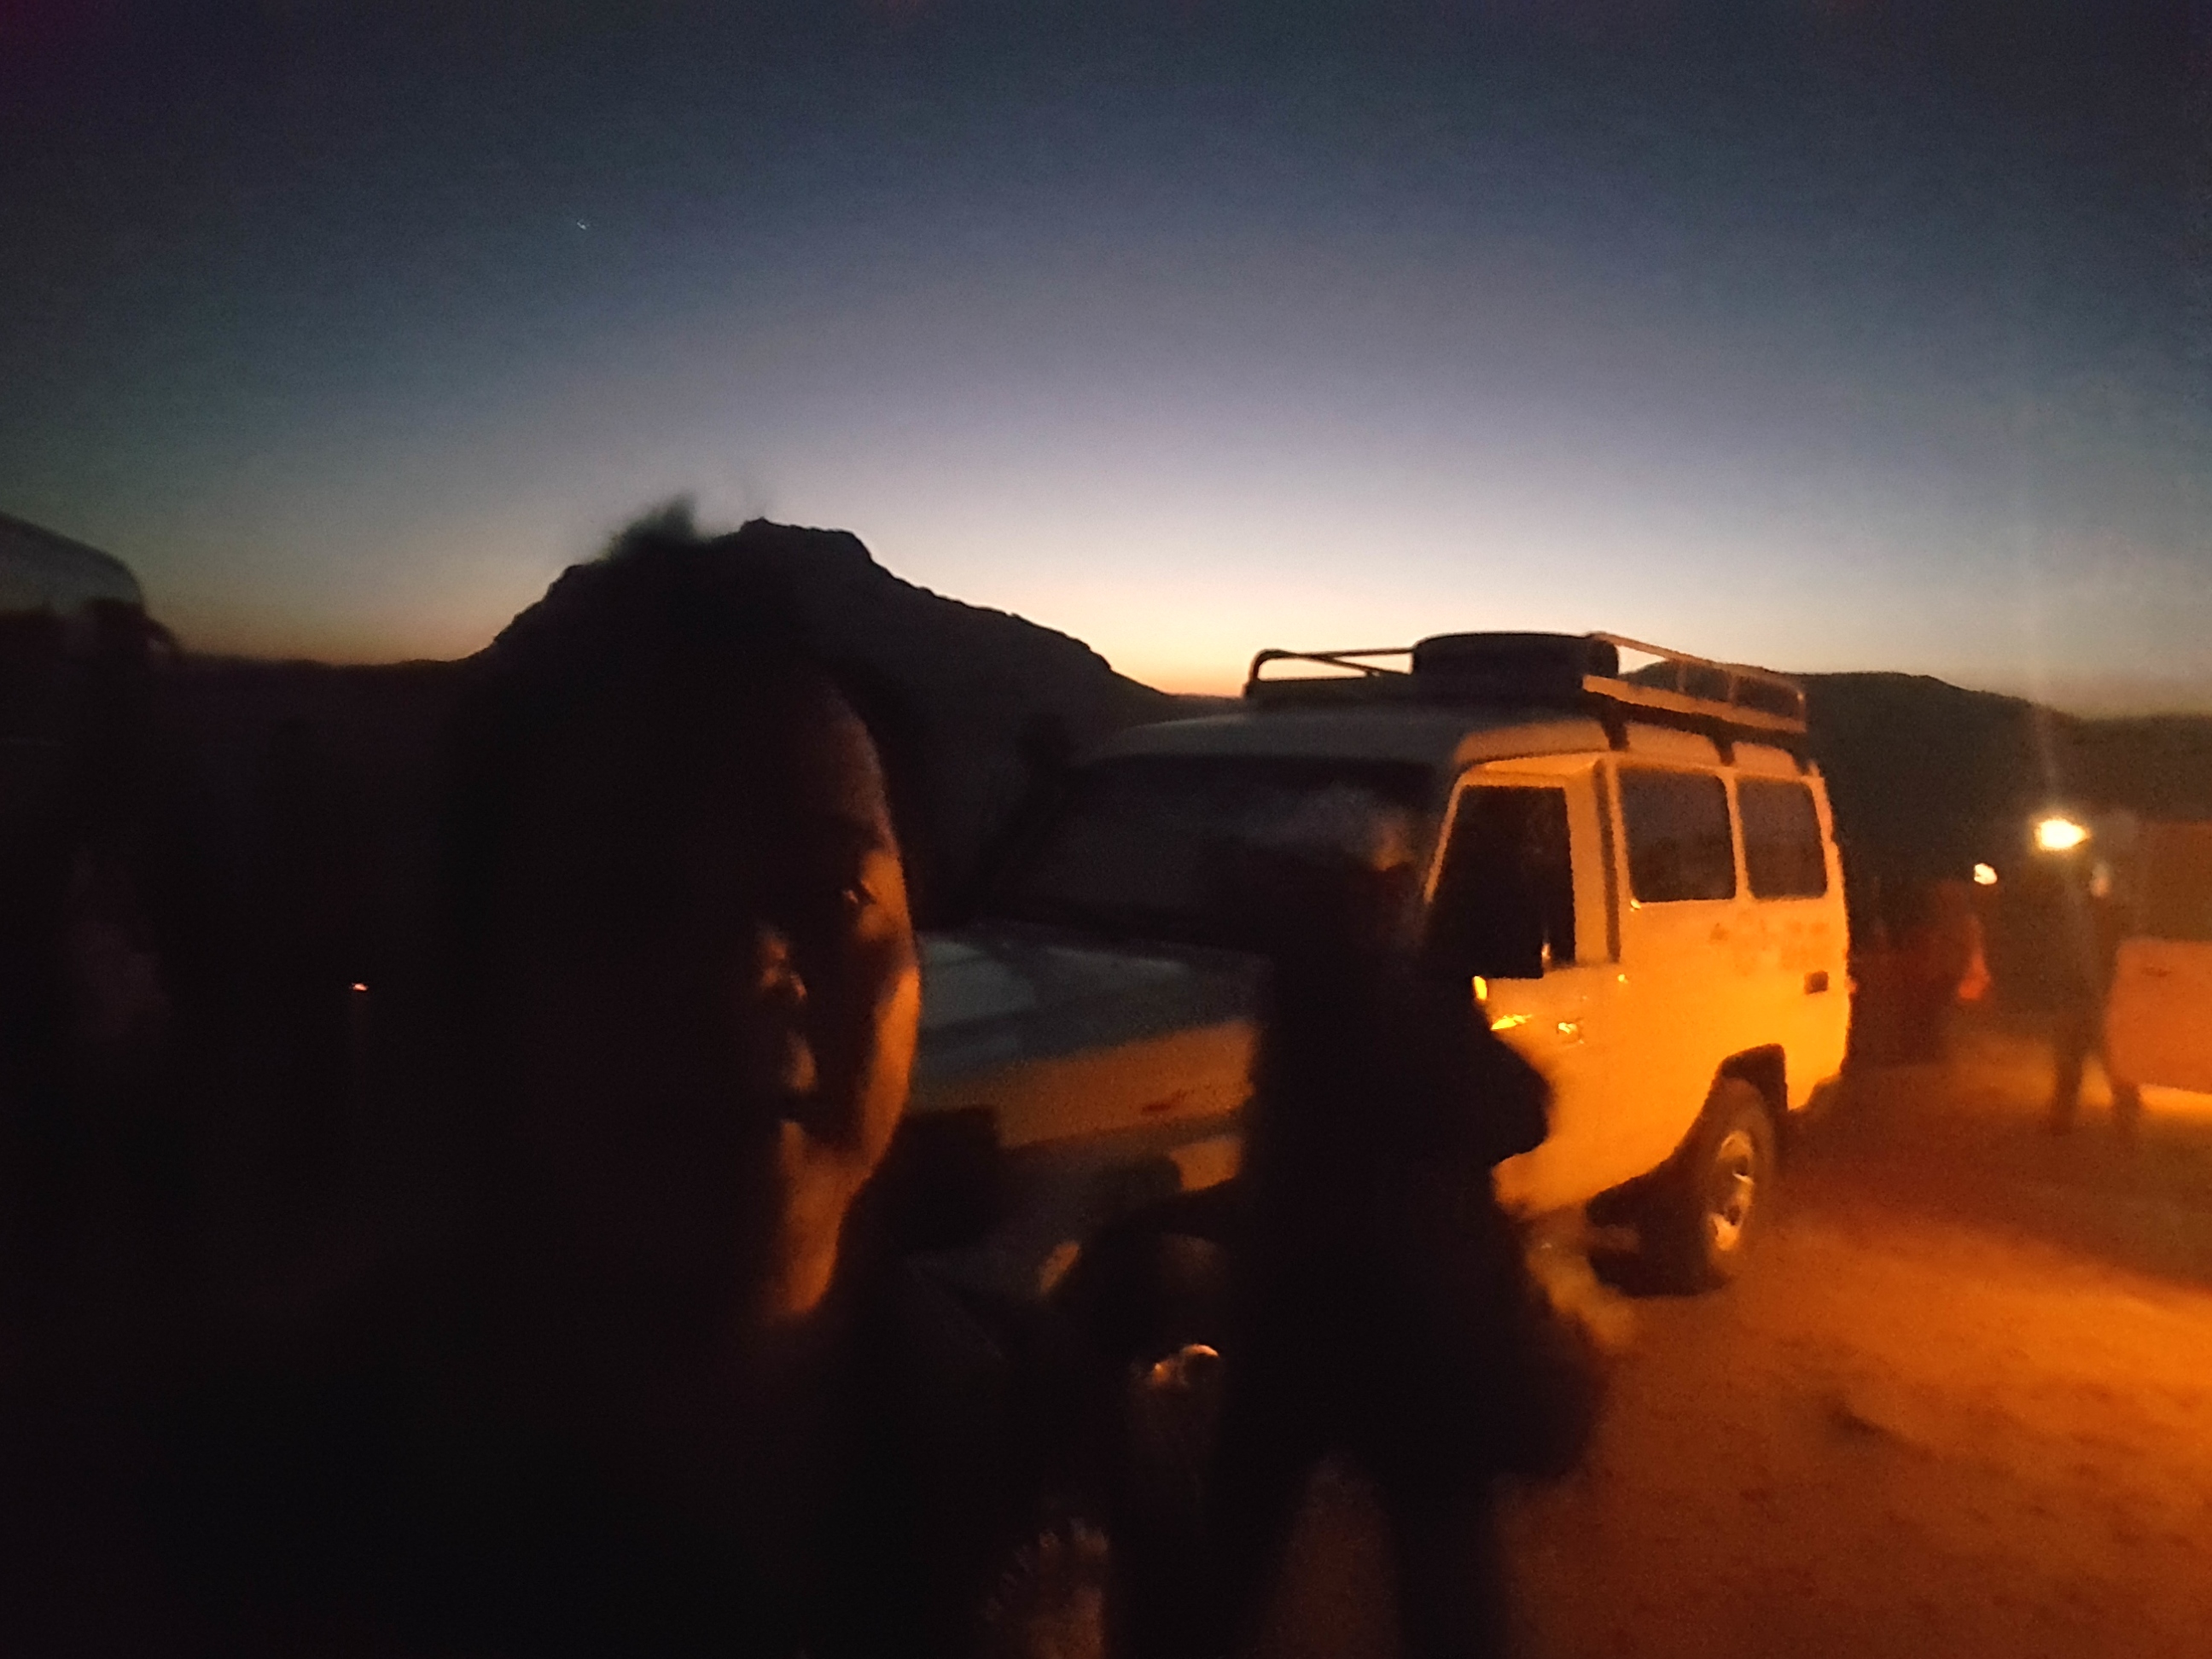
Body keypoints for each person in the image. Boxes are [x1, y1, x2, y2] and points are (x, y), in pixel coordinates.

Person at [140, 522, 946, 1656]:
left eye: (824, 890)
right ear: (479, 976)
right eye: (626, 903)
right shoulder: (243, 1530)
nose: (741, 973)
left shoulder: (1039, 1439)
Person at [1202, 793, 1603, 1659]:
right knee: (1445, 1557)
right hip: (1408, 1327)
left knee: (1236, 1542)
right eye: (1390, 883)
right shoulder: (1388, 997)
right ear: (1366, 893)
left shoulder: (1295, 990)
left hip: (1292, 1313)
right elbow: (1517, 1108)